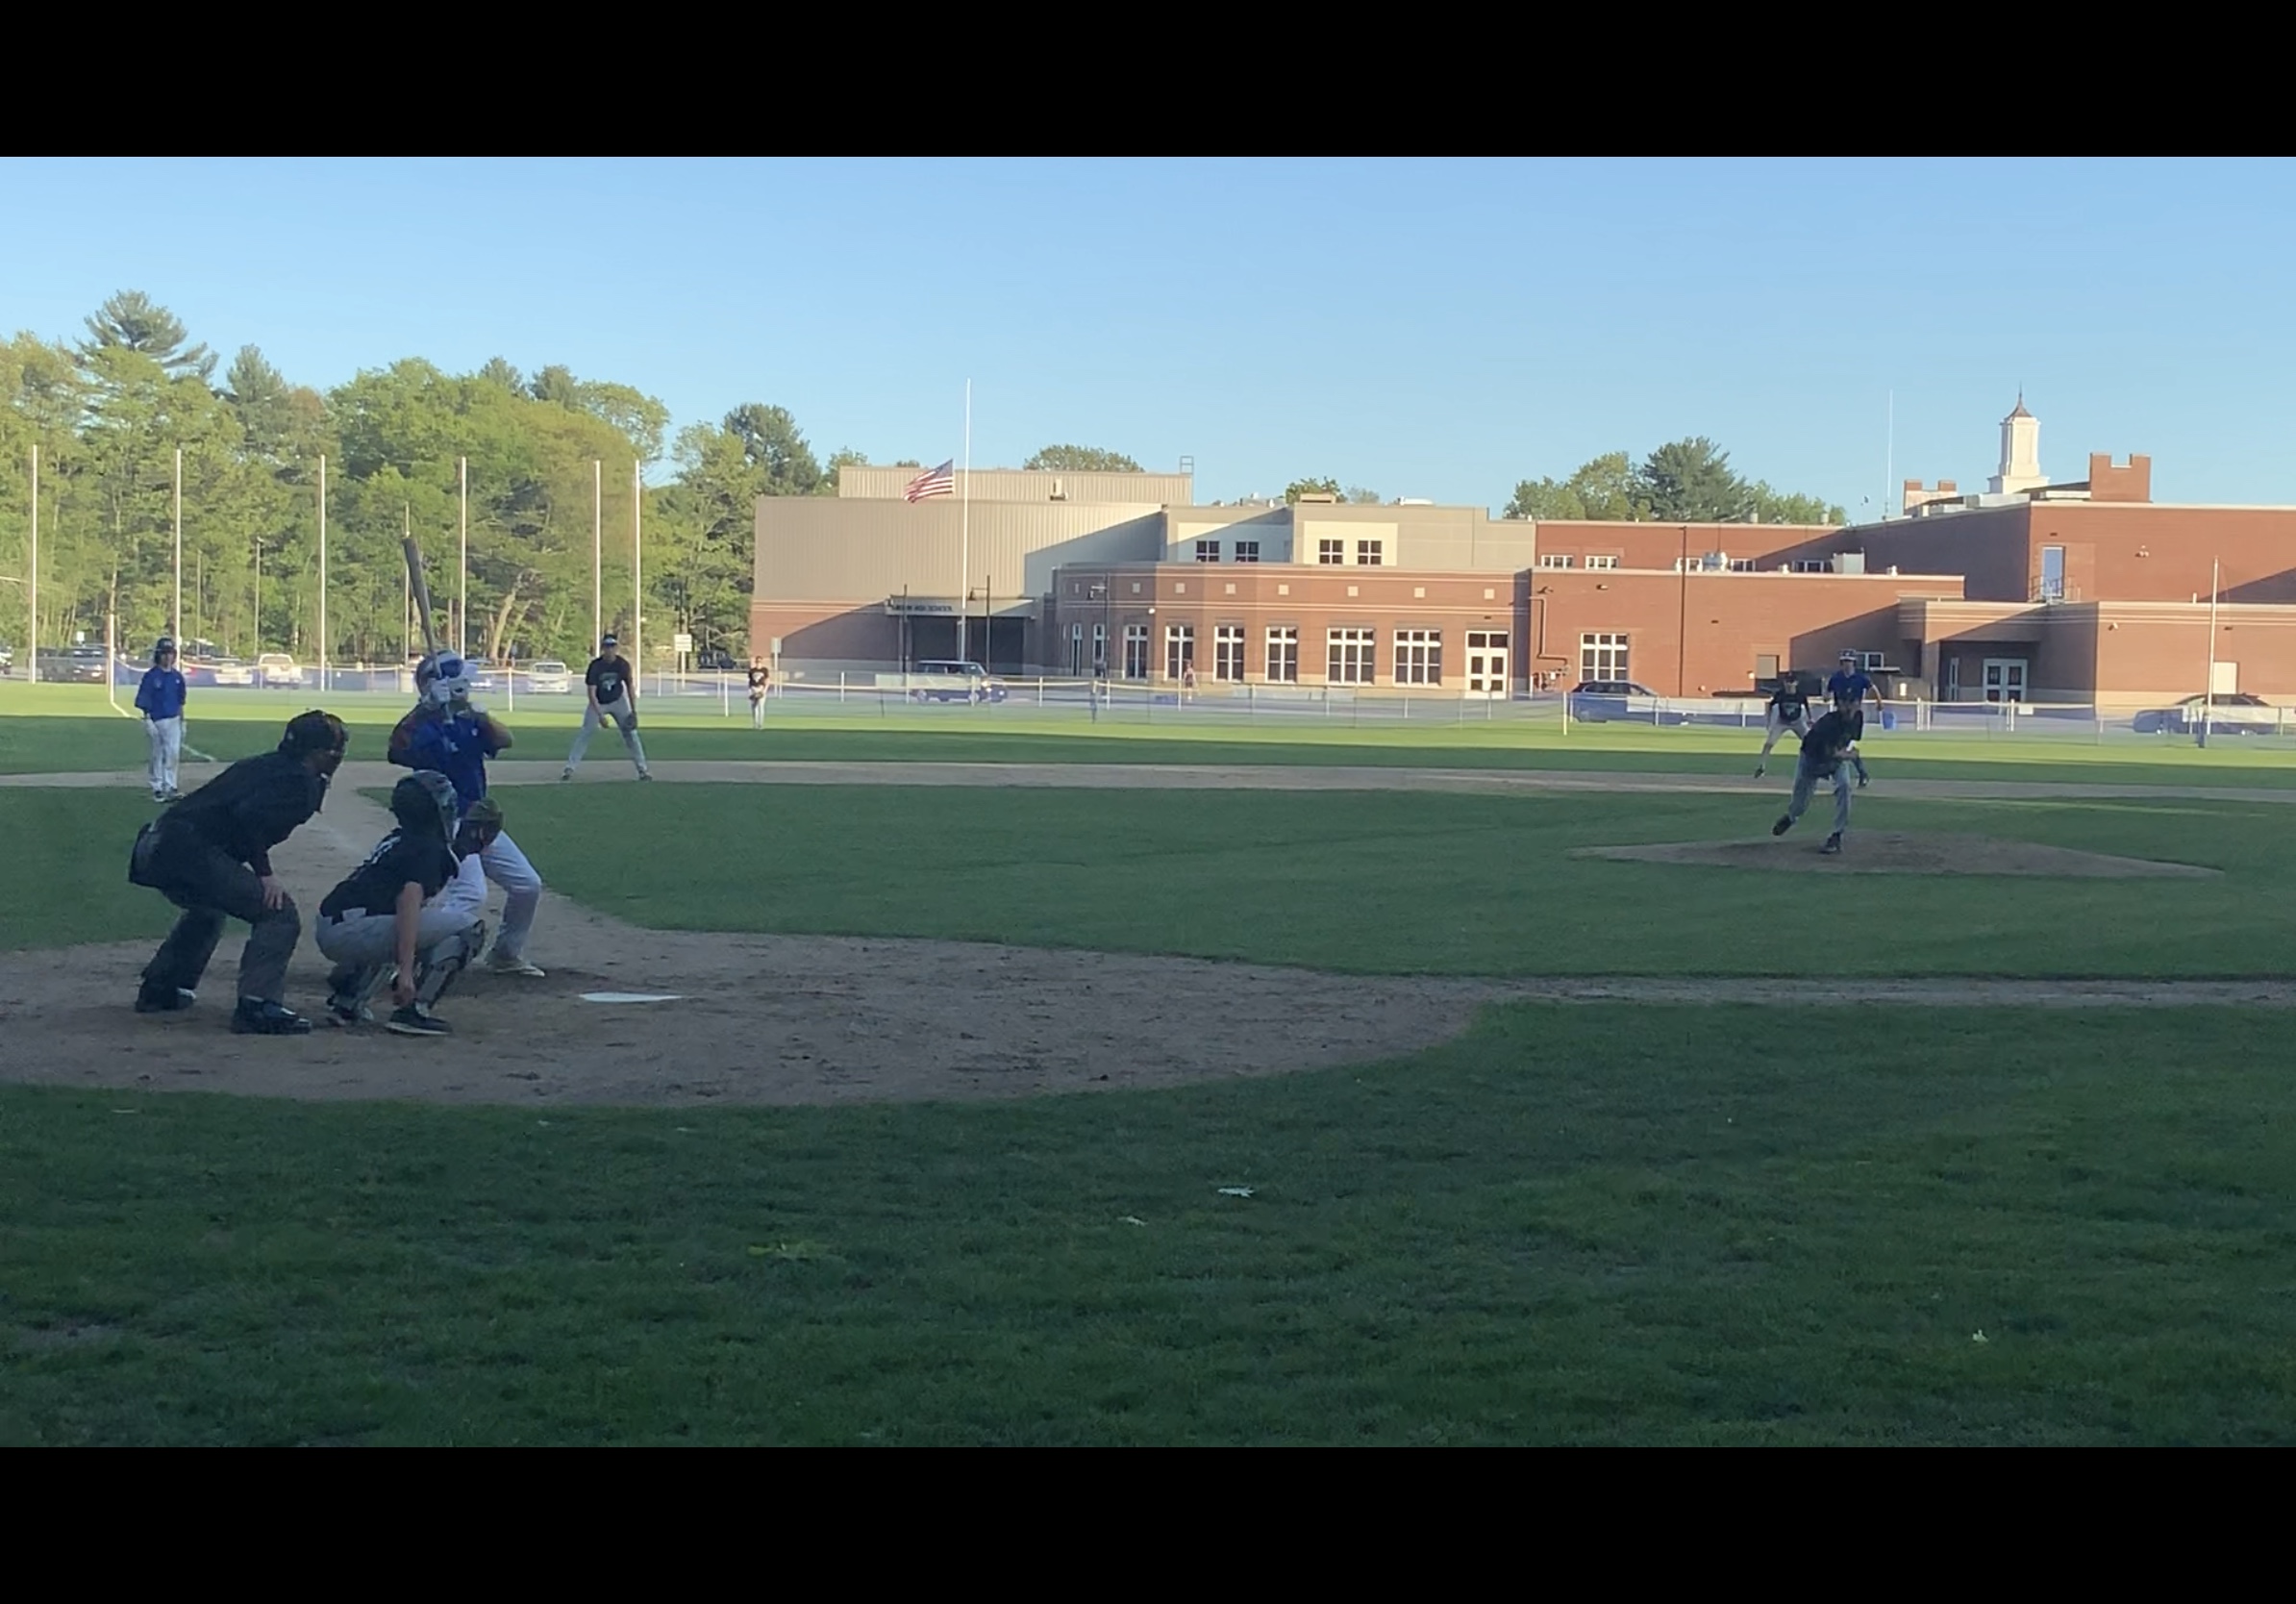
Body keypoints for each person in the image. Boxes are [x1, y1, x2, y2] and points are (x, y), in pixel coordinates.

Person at [126, 709, 347, 1034]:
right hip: (185, 850)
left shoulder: (266, 764)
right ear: (316, 753)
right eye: (332, 749)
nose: (336, 755)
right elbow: (248, 818)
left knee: (208, 908)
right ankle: (258, 1005)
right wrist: (264, 874)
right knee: (279, 914)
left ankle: (161, 988)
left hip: (155, 844)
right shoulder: (298, 781)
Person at [388, 649, 548, 979]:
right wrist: (424, 709)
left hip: (477, 821)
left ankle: (506, 953)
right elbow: (396, 751)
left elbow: (505, 740)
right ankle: (422, 954)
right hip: (444, 824)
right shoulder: (423, 725)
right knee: (471, 891)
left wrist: (479, 714)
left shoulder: (469, 720)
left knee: (527, 885)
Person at [315, 771, 487, 1037]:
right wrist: (406, 972)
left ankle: (349, 998)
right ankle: (414, 1011)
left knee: (396, 923)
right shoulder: (428, 849)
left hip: (335, 924)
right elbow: (408, 902)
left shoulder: (399, 839)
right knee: (467, 929)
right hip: (353, 931)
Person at [1771, 705, 1865, 856]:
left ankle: (1836, 835)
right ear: (1838, 703)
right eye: (1845, 702)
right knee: (1800, 804)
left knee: (1845, 787)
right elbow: (1830, 753)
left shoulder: (1857, 718)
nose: (1849, 707)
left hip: (1835, 761)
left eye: (1853, 701)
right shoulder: (1828, 723)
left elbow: (1849, 745)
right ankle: (1791, 817)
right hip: (1811, 761)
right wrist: (1848, 756)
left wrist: (1861, 771)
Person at [562, 633, 652, 781]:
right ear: (603, 648)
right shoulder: (596, 666)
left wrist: (633, 711)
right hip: (598, 702)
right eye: (607, 646)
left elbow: (630, 687)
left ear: (616, 648)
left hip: (618, 701)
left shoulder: (622, 665)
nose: (610, 650)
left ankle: (643, 770)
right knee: (586, 732)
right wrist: (600, 715)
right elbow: (591, 693)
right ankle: (569, 768)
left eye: (612, 646)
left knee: (631, 734)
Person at [135, 636, 188, 802]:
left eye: (170, 653)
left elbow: (180, 701)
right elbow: (144, 699)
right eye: (164, 653)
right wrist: (147, 719)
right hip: (157, 720)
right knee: (157, 754)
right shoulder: (151, 676)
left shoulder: (177, 677)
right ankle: (157, 786)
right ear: (158, 655)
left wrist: (182, 720)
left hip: (173, 719)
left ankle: (171, 785)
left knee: (173, 753)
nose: (167, 657)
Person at [1826, 649, 1881, 784]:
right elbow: (1827, 693)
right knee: (1839, 746)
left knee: (1843, 746)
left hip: (1854, 717)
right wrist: (1826, 696)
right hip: (1840, 716)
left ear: (1854, 663)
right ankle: (1859, 773)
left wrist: (1879, 702)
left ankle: (1842, 774)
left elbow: (1873, 688)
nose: (1847, 664)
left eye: (1849, 661)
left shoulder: (1860, 678)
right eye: (1845, 661)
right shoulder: (1836, 678)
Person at [1753, 671, 1813, 778]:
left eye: (1791, 682)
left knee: (1811, 743)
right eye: (1787, 682)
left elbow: (1807, 707)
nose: (1789, 684)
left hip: (1797, 722)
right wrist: (1768, 721)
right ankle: (1761, 767)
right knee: (1768, 744)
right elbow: (1770, 705)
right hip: (1782, 722)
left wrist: (1810, 719)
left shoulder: (1800, 695)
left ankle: (1815, 767)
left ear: (1796, 683)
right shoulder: (1780, 694)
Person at [747, 657, 770, 729]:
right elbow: (750, 681)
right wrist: (750, 691)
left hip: (761, 688)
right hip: (754, 689)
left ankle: (760, 724)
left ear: (761, 662)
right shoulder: (752, 670)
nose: (758, 663)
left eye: (760, 661)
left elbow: (767, 680)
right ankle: (755, 723)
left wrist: (764, 690)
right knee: (754, 707)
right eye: (757, 661)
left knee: (761, 707)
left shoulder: (764, 670)